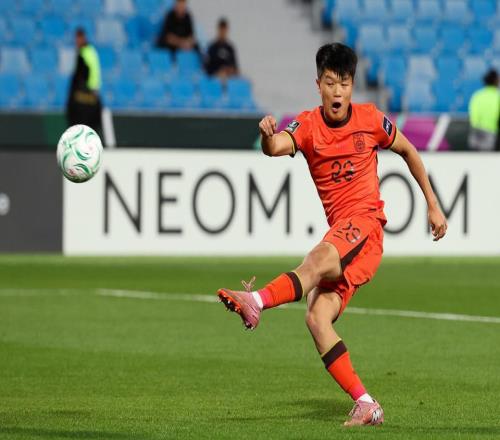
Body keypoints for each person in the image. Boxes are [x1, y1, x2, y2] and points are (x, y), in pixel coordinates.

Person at [216, 43, 447, 427]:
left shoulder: (371, 119)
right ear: (318, 85)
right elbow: (276, 147)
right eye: (330, 83)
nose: (338, 92)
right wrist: (267, 136)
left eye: (344, 84)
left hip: (366, 226)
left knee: (319, 257)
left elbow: (408, 150)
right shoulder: (307, 125)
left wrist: (433, 204)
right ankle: (366, 403)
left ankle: (255, 301)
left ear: (352, 85)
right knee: (317, 318)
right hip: (343, 234)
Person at [66, 28, 102, 133]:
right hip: (91, 90)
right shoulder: (90, 51)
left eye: (78, 38)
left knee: (81, 120)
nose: (77, 41)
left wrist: (89, 87)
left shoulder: (85, 52)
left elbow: (85, 72)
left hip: (86, 91)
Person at [468, 69, 500, 151]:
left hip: (476, 132)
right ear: (496, 81)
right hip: (491, 133)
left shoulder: (477, 95)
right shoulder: (497, 96)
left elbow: (473, 117)